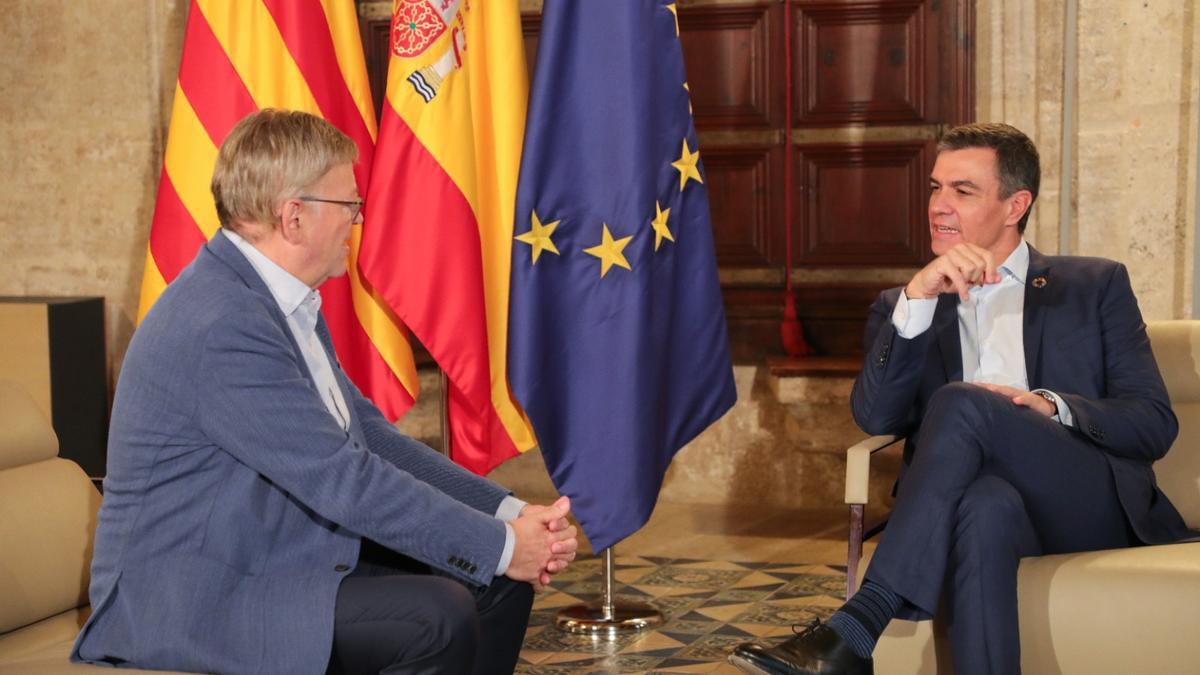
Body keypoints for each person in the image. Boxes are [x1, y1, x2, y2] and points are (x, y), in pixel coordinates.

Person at [71, 109, 578, 675]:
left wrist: (510, 514)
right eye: (349, 207)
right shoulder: (221, 324)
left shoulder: (279, 299)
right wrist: (503, 546)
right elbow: (345, 479)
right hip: (189, 595)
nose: (357, 222)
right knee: (439, 614)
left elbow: (373, 443)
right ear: (293, 217)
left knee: (497, 586)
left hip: (269, 554)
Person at [731, 122, 1191, 675]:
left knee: (962, 402)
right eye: (934, 187)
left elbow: (1153, 423)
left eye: (962, 190)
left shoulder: (1093, 286)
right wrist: (918, 300)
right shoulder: (902, 305)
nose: (938, 205)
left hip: (1085, 498)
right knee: (984, 507)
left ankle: (859, 623)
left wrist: (1051, 404)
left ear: (1015, 204)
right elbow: (875, 418)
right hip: (987, 502)